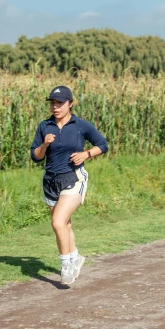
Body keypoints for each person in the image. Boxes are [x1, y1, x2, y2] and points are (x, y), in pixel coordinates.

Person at [31, 85, 108, 285]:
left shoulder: (81, 125)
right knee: (64, 224)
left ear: (70, 104)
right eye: (53, 103)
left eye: (60, 103)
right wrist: (45, 144)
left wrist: (86, 154)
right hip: (50, 180)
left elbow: (103, 144)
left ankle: (65, 266)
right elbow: (36, 157)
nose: (56, 107)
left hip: (74, 178)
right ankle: (76, 258)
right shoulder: (44, 126)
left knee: (57, 222)